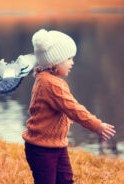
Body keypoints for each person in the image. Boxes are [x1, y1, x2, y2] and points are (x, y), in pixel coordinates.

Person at [22, 29, 116, 184]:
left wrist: (65, 119)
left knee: (66, 179)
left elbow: (52, 109)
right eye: (69, 59)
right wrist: (97, 125)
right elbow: (73, 108)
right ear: (55, 61)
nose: (72, 63)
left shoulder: (45, 79)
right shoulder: (51, 84)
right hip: (42, 149)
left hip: (55, 145)